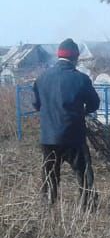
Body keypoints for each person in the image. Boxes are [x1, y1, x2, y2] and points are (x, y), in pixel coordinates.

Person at [32, 38, 100, 209]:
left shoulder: (41, 78)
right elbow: (94, 104)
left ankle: (48, 206)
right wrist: (82, 111)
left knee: (50, 175)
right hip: (73, 136)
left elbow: (36, 105)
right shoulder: (81, 79)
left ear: (59, 56)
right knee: (83, 173)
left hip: (49, 137)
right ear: (75, 58)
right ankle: (87, 207)